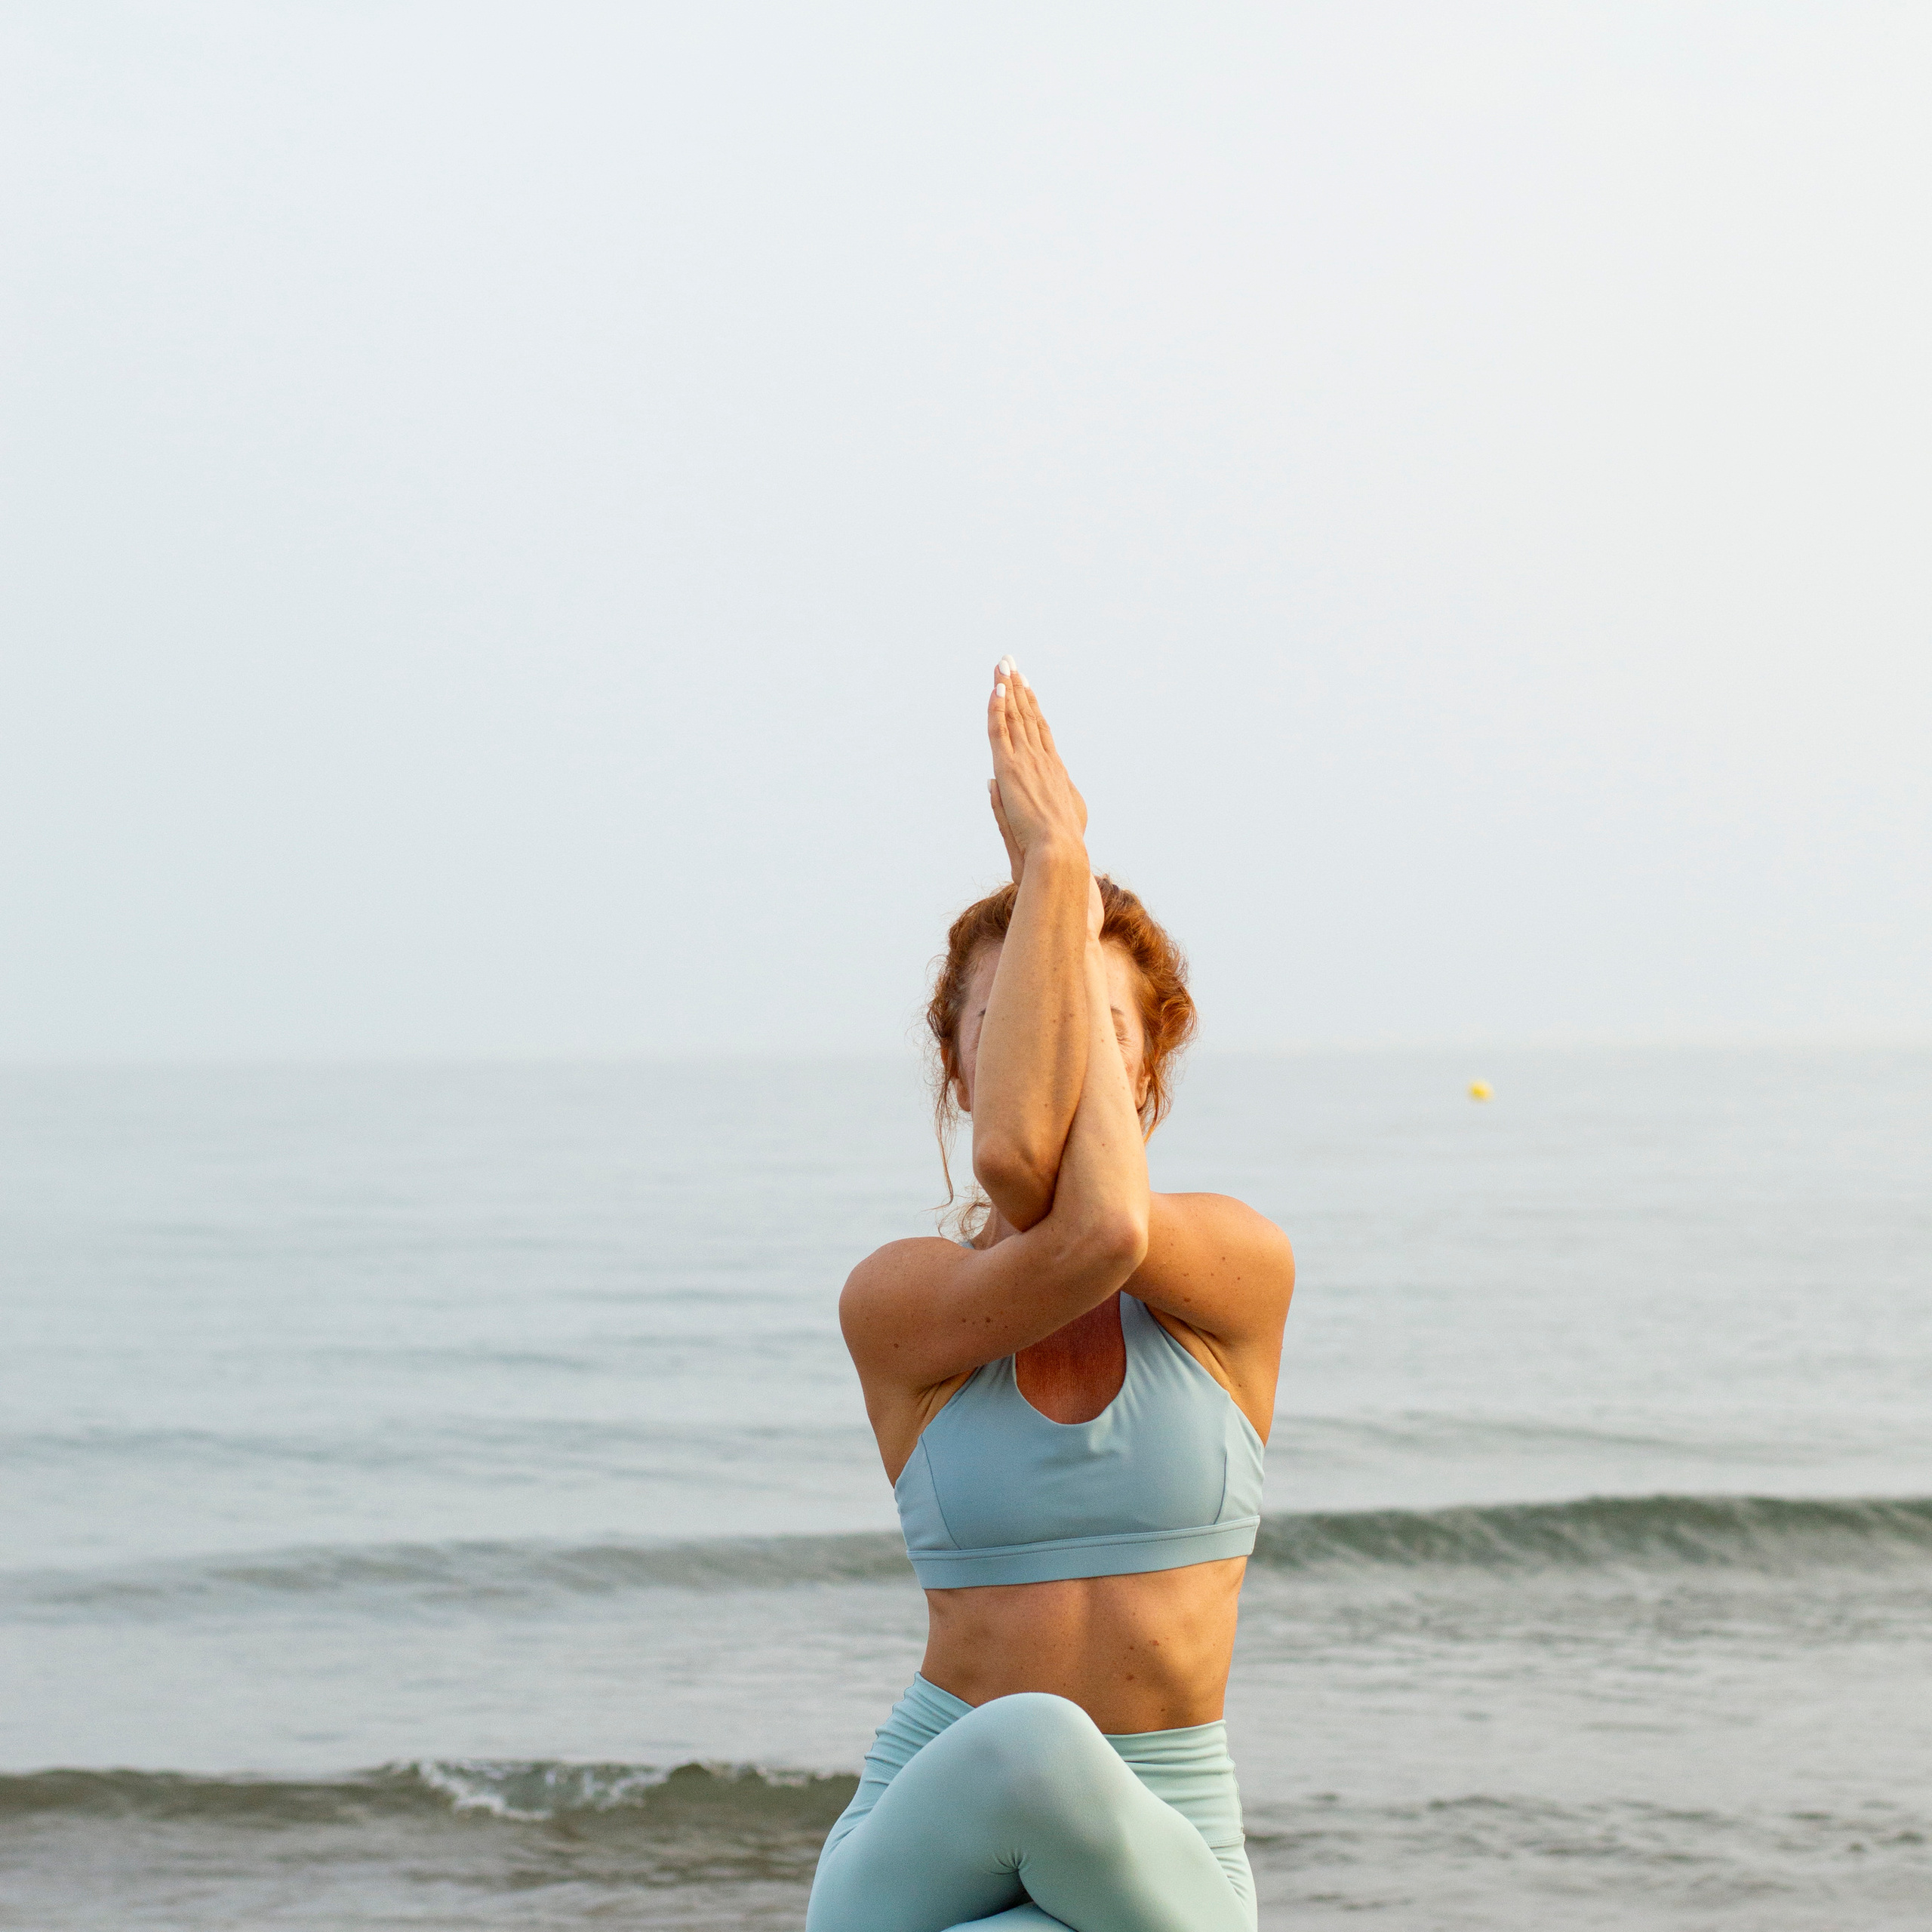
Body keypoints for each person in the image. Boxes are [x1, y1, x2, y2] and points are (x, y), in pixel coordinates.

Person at [807, 660, 1296, 1932]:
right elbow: (1049, 1202)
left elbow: (1107, 1225)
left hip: (1170, 1843)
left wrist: (1056, 873)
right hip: (929, 1834)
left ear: (1149, 1074)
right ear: (963, 1070)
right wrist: (1057, 873)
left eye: (1101, 1027)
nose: (1071, 1057)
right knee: (1031, 1741)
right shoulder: (902, 1303)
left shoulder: (1237, 1270)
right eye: (1010, 1022)